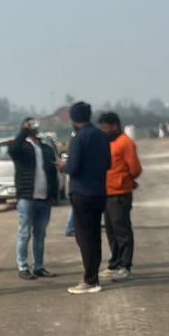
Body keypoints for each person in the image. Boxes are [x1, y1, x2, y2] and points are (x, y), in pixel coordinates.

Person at [63, 101, 111, 294]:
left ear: (73, 119)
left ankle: (90, 280)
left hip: (82, 192)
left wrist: (63, 166)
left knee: (84, 237)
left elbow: (73, 167)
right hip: (99, 191)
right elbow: (108, 163)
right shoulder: (101, 135)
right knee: (95, 236)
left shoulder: (79, 138)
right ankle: (94, 276)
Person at [7, 118, 60, 279]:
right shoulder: (21, 148)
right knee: (24, 233)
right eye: (29, 125)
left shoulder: (46, 149)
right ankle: (23, 267)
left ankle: (39, 266)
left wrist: (54, 194)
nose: (33, 127)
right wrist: (23, 131)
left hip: (44, 199)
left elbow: (52, 173)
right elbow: (13, 150)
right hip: (26, 197)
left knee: (40, 234)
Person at [97, 112, 143, 281]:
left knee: (122, 231)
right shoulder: (108, 142)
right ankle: (115, 263)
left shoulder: (125, 143)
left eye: (105, 127)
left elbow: (135, 169)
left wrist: (126, 180)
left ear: (115, 126)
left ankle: (125, 266)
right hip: (107, 192)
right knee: (111, 230)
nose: (103, 131)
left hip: (120, 193)